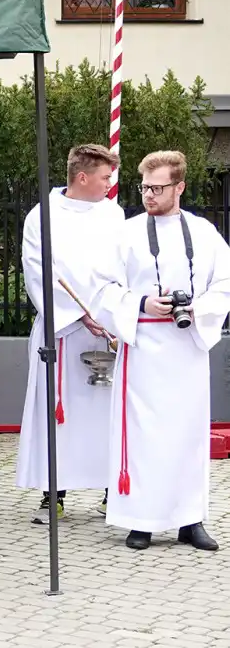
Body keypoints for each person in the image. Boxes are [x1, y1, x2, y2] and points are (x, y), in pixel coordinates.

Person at [92, 151, 230, 551]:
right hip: (145, 346)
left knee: (187, 435)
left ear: (180, 187)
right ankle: (142, 519)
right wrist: (141, 304)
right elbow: (102, 287)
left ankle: (190, 519)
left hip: (187, 346)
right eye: (145, 187)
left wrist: (195, 308)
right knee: (144, 435)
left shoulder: (204, 233)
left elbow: (223, 285)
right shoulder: (127, 232)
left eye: (158, 188)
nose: (149, 195)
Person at [16, 145, 125, 523]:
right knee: (57, 412)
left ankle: (114, 494)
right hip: (62, 328)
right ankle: (54, 495)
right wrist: (79, 314)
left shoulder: (114, 215)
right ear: (82, 177)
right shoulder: (42, 217)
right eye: (105, 177)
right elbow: (37, 270)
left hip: (105, 328)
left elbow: (122, 269)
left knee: (107, 415)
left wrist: (107, 312)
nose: (110, 185)